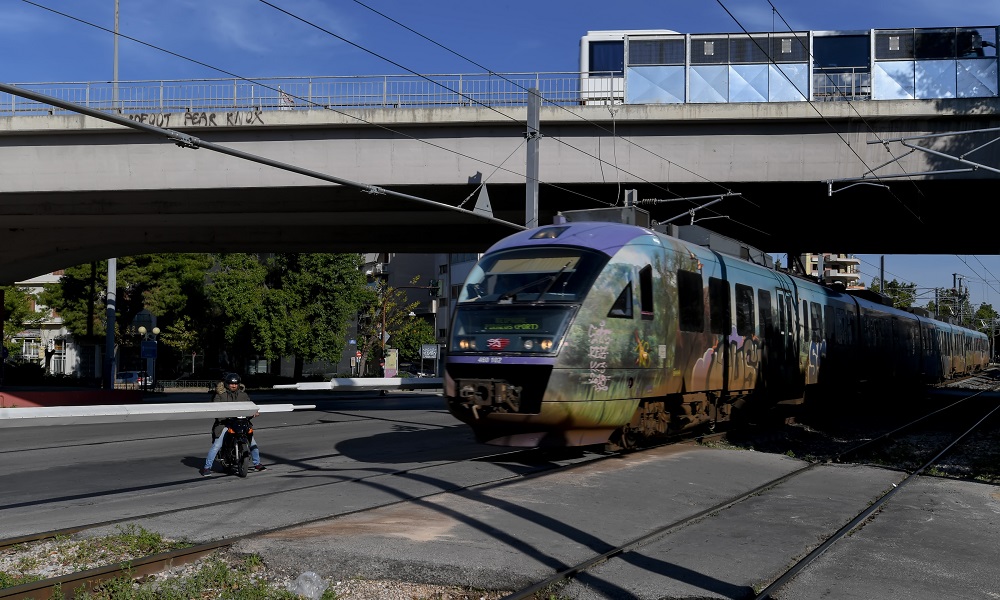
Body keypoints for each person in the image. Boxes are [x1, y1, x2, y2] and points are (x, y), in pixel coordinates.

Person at [200, 372, 266, 476]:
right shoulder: (220, 395)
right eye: (231, 383)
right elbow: (215, 409)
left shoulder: (243, 395)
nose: (234, 385)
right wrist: (225, 417)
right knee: (217, 445)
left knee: (253, 443)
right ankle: (207, 467)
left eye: (236, 383)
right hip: (224, 424)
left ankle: (257, 464)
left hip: (241, 423)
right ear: (226, 384)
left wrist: (253, 412)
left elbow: (249, 406)